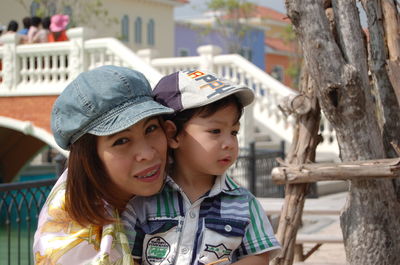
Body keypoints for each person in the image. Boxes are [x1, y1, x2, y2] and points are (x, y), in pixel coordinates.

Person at [122, 70, 281, 265]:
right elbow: (127, 258)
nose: (229, 143)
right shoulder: (141, 204)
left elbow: (258, 256)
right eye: (215, 131)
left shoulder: (244, 204)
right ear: (173, 135)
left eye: (234, 132)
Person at [33, 65, 174, 264]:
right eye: (122, 141)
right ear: (90, 157)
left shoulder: (186, 181)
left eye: (151, 128)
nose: (147, 154)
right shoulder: (68, 233)